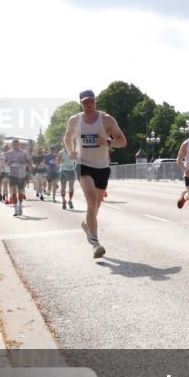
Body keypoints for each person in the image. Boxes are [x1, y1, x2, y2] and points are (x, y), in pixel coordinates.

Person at [64, 90, 127, 258]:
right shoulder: (75, 120)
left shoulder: (106, 119)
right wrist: (71, 151)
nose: (88, 104)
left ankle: (87, 225)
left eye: (91, 101)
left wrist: (107, 141)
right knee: (91, 201)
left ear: (95, 101)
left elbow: (122, 140)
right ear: (81, 103)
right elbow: (68, 137)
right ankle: (95, 243)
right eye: (85, 102)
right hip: (83, 164)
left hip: (102, 166)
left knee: (97, 205)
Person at [2, 140, 32, 217]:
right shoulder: (9, 153)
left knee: (20, 191)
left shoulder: (24, 152)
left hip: (22, 174)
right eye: (14, 144)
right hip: (13, 174)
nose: (15, 146)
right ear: (12, 145)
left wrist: (25, 164)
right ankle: (15, 209)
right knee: (14, 191)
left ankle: (20, 206)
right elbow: (5, 162)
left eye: (17, 144)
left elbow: (28, 162)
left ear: (19, 145)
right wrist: (8, 163)